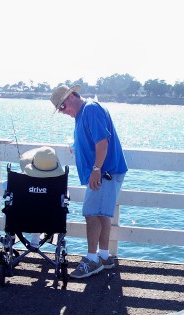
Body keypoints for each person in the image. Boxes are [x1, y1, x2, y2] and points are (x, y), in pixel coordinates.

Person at [50, 85, 128, 279]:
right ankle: (103, 256)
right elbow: (91, 140)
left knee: (91, 214)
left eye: (63, 105)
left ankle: (92, 260)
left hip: (104, 172)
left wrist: (96, 169)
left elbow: (102, 142)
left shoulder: (91, 109)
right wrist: (75, 146)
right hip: (104, 172)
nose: (63, 111)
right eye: (60, 109)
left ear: (73, 96)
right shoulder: (81, 115)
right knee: (102, 215)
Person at [19, 146, 64, 247]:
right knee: (45, 210)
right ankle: (44, 235)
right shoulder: (58, 185)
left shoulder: (20, 182)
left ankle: (13, 238)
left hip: (22, 220)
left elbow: (6, 188)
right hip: (51, 221)